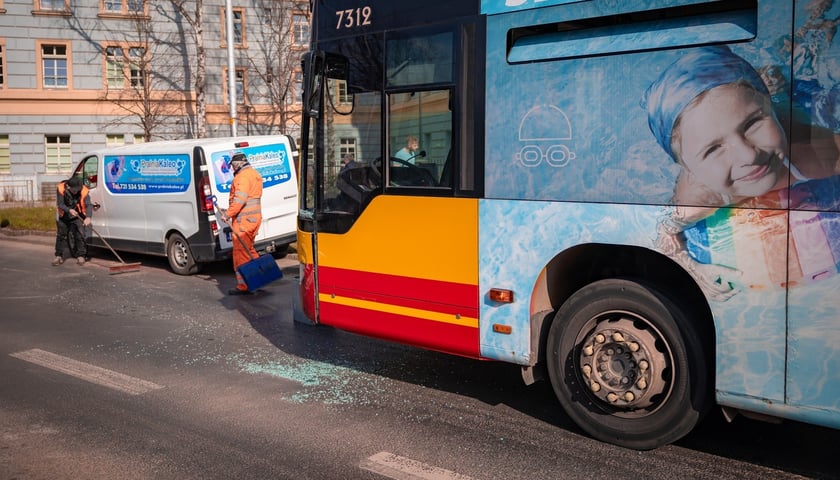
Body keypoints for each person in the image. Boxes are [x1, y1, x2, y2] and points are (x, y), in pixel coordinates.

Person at [643, 45, 840, 299]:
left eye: (753, 123)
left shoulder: (805, 154)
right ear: (688, 169)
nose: (749, 155)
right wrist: (694, 270)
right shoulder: (699, 196)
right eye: (713, 149)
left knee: (788, 83)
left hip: (783, 116)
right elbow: (665, 232)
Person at [222, 153, 263, 295]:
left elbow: (240, 199)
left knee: (241, 252)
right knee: (249, 249)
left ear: (238, 164)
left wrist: (228, 214)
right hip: (253, 219)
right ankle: (260, 277)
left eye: (233, 165)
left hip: (244, 221)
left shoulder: (242, 177)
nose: (232, 169)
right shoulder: (254, 174)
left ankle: (244, 285)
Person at [53, 176, 91, 266]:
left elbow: (88, 204)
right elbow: (60, 204)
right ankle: (59, 256)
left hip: (78, 215)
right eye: (75, 190)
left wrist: (88, 217)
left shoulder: (83, 190)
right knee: (61, 235)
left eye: (78, 189)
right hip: (64, 215)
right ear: (69, 187)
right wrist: (69, 210)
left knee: (80, 234)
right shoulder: (61, 188)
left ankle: (81, 256)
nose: (77, 191)